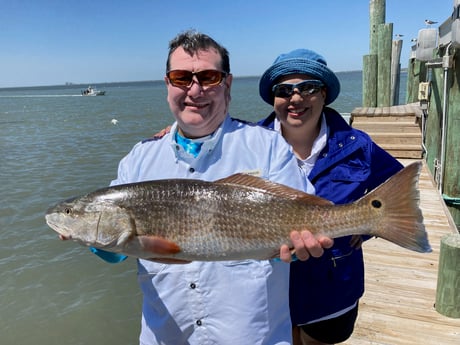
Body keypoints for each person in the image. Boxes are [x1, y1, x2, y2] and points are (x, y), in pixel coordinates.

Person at [88, 31, 333, 345]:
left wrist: (298, 249)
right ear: (167, 85)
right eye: (181, 78)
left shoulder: (268, 147)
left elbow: (305, 217)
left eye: (208, 77)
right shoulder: (138, 159)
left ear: (227, 84)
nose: (194, 90)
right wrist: (95, 238)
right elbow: (116, 246)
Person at [257, 49, 404, 345]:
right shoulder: (247, 144)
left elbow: (396, 188)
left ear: (324, 94)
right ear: (274, 99)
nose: (295, 99)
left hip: (333, 289)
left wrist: (363, 230)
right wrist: (174, 134)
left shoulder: (358, 145)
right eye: (284, 90)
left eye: (308, 88)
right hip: (266, 290)